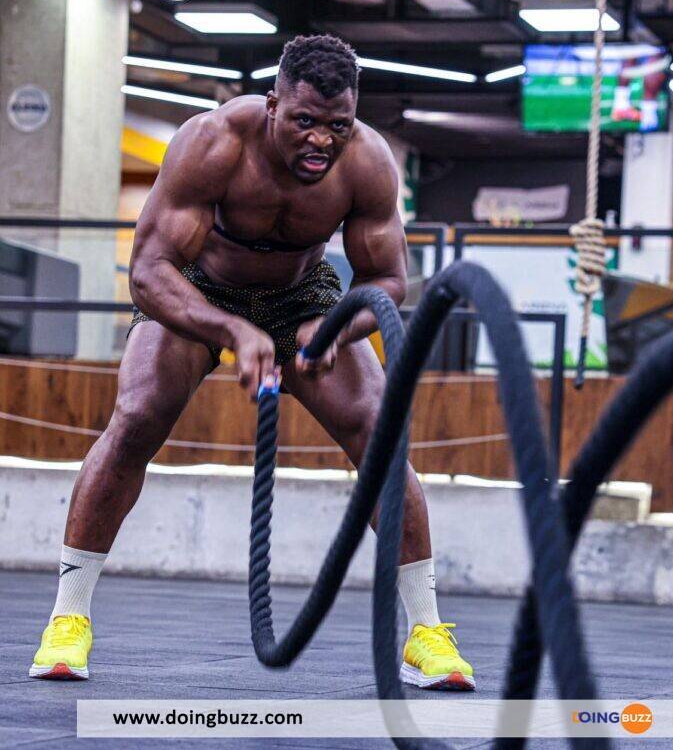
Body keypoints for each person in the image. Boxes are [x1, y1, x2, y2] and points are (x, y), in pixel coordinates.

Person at [29, 34, 475, 691]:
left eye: (337, 125)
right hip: (200, 292)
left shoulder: (368, 162)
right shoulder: (213, 143)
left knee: (380, 432)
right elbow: (150, 273)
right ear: (272, 105)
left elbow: (386, 281)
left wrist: (329, 329)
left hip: (303, 296)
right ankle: (68, 621)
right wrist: (231, 329)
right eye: (304, 122)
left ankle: (427, 633)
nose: (321, 141)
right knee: (137, 417)